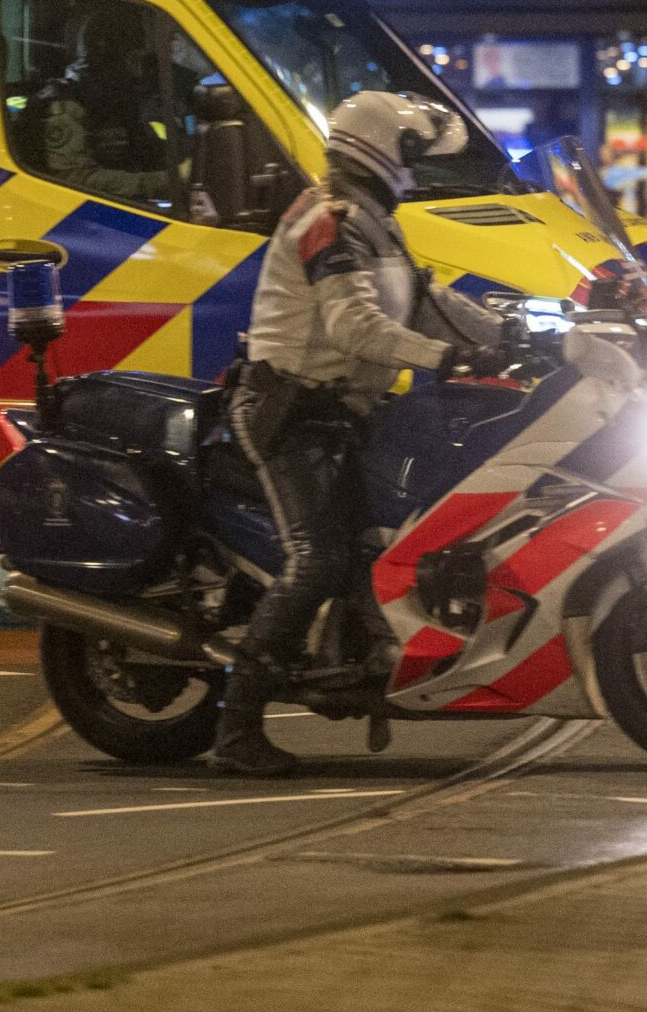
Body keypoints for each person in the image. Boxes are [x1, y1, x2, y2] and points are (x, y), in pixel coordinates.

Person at [212, 90, 510, 778]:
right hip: (290, 413)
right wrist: (450, 358)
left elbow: (432, 306)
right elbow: (355, 328)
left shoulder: (372, 221)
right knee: (315, 557)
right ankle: (236, 730)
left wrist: (523, 336)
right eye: (414, 155)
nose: (418, 170)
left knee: (397, 534)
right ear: (383, 150)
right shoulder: (329, 219)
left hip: (342, 413)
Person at [30, 5, 172, 204]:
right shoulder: (66, 105)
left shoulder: (116, 100)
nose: (138, 73)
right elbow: (74, 179)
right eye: (133, 60)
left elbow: (148, 152)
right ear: (106, 56)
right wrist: (167, 180)